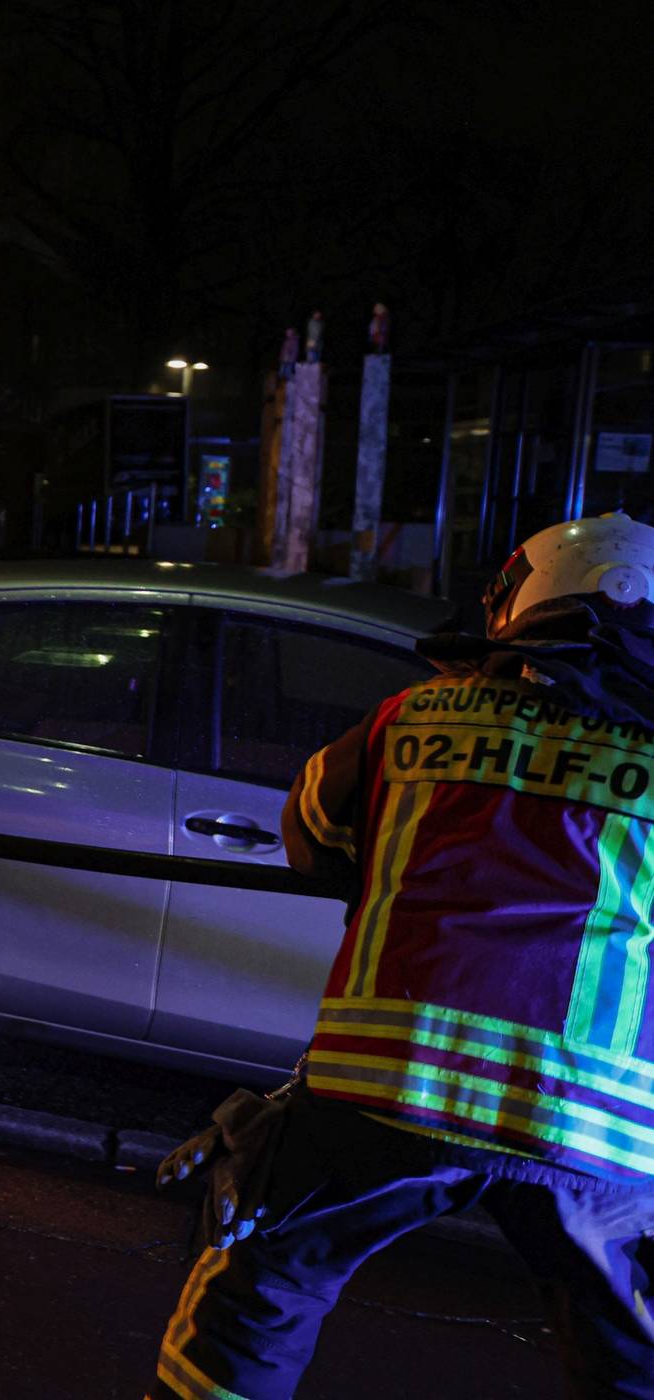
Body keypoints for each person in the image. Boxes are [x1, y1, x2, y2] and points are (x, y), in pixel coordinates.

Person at [151, 513, 654, 1399]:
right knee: (633, 1360)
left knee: (256, 1295)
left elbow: (310, 838)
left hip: (385, 1085)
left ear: (518, 603)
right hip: (593, 1127)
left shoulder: (412, 716)